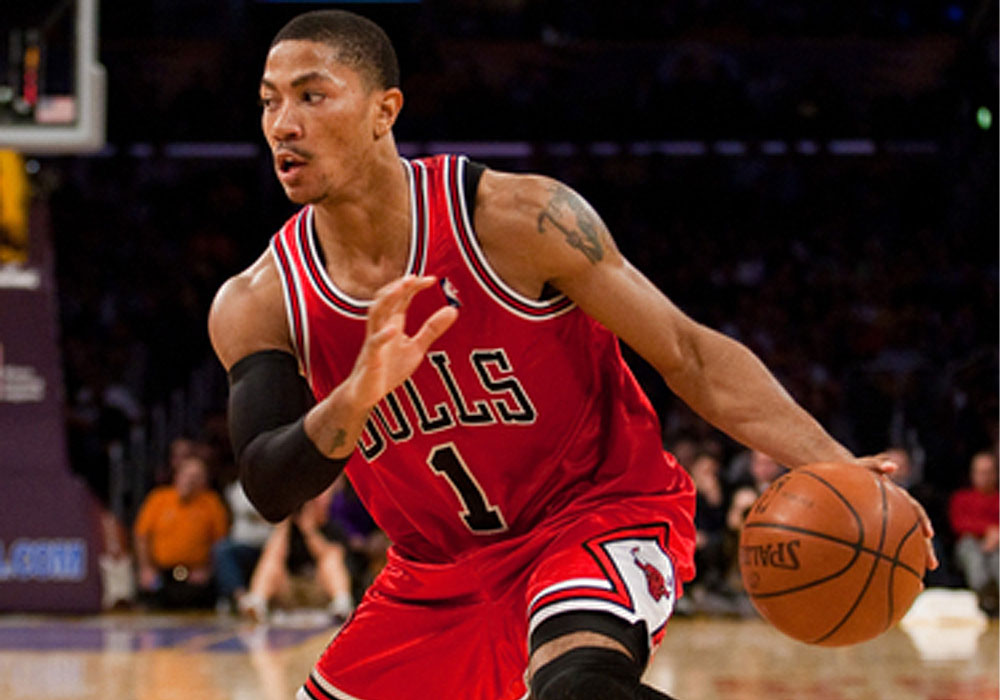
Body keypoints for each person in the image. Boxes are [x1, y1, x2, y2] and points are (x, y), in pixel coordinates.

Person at [207, 10, 937, 699]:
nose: (284, 125)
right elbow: (270, 485)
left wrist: (836, 464)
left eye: (312, 96)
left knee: (578, 688)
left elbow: (689, 353)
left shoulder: (515, 220)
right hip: (438, 574)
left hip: (594, 514)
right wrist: (355, 396)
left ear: (384, 110)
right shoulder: (259, 301)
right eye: (269, 102)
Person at [237, 485, 355, 624]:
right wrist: (283, 524)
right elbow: (274, 553)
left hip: (318, 589)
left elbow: (332, 556)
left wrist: (309, 531)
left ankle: (342, 604)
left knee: (331, 559)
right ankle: (256, 602)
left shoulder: (335, 528)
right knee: (271, 559)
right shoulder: (289, 530)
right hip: (290, 590)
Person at [133, 449, 229, 609]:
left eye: (196, 476)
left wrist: (207, 569)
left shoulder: (211, 503)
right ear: (177, 476)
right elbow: (142, 536)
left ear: (204, 481)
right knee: (150, 599)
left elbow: (220, 542)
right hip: (161, 575)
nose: (190, 481)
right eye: (187, 475)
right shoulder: (158, 499)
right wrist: (146, 568)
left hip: (195, 576)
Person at [213, 476, 275, 614]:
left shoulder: (280, 483)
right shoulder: (240, 487)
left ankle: (260, 600)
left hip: (272, 545)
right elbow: (263, 511)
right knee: (222, 550)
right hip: (245, 545)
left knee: (275, 554)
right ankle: (242, 600)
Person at [948, 450, 999, 615]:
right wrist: (988, 531)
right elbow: (958, 524)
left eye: (988, 472)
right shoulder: (961, 498)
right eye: (980, 472)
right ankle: (984, 595)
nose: (985, 477)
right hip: (970, 546)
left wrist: (996, 535)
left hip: (996, 545)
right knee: (970, 548)